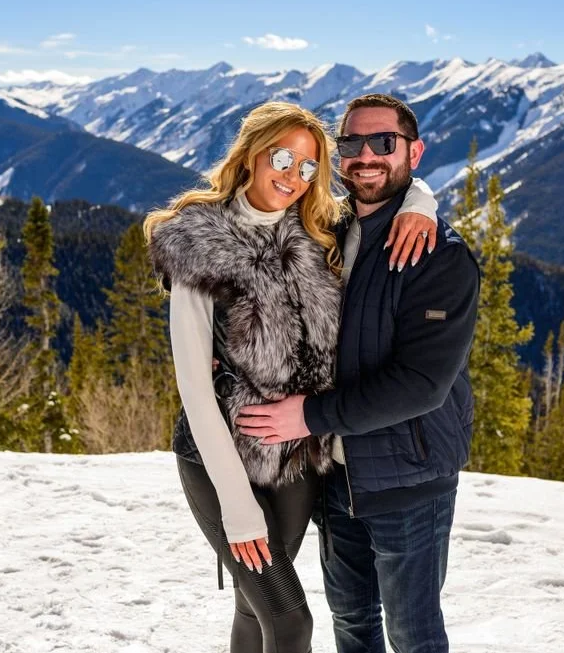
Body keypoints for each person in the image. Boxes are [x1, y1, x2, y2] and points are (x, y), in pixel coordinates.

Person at [144, 101, 438, 653]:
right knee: (291, 622)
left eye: (308, 167)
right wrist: (235, 503)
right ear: (253, 154)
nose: (293, 177)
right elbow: (194, 390)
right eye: (282, 158)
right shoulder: (198, 241)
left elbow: (391, 194)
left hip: (299, 458)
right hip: (220, 458)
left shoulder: (318, 232)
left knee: (253, 611)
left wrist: (422, 202)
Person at [237, 94, 481, 653]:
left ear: (413, 152)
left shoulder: (438, 257)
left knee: (413, 635)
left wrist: (308, 415)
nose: (366, 156)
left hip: (409, 479)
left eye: (384, 143)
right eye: (351, 143)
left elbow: (422, 384)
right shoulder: (325, 228)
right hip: (335, 476)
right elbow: (244, 236)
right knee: (351, 625)